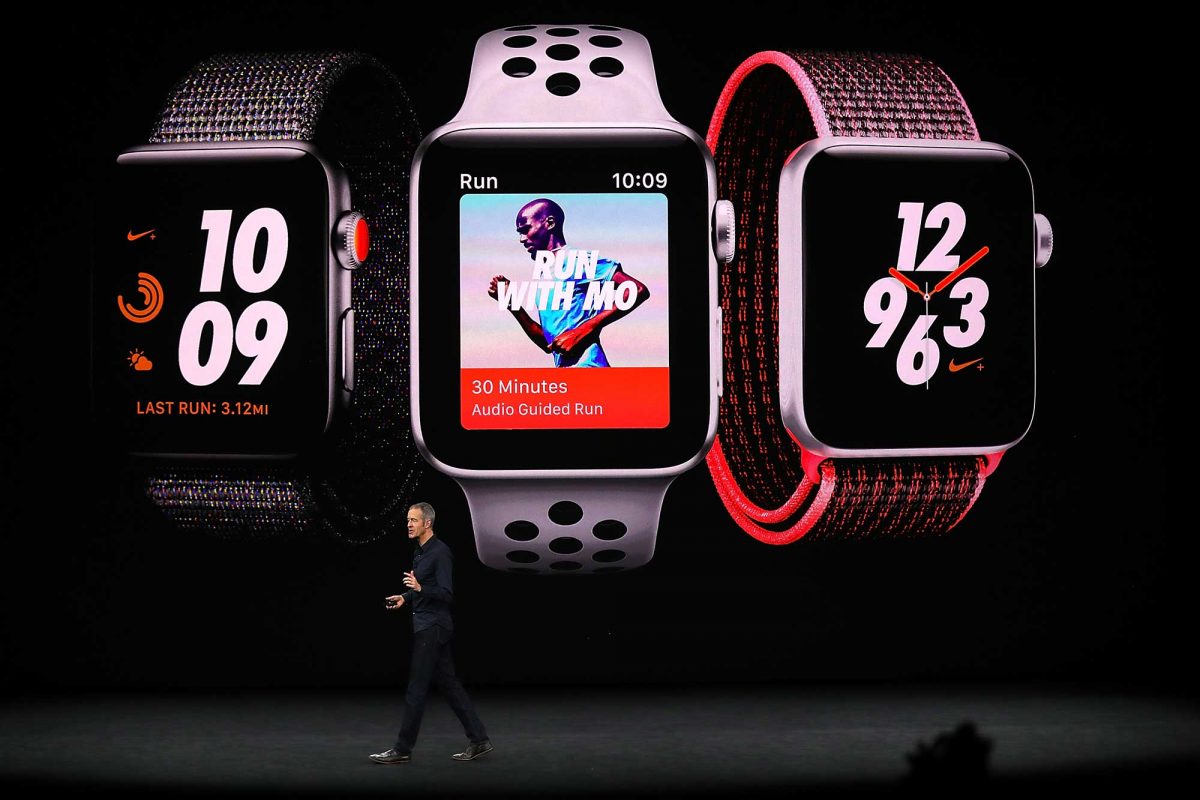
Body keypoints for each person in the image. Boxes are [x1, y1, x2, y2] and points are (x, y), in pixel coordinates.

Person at [369, 503, 492, 764]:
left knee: (416, 689)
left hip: (433, 628)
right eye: (407, 520)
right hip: (428, 625)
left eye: (414, 520)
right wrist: (405, 597)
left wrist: (420, 588)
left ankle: (402, 749)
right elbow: (423, 589)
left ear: (428, 523)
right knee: (450, 685)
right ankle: (479, 739)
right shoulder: (420, 552)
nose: (409, 524)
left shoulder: (440, 552)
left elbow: (446, 594)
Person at [488, 197, 650, 367]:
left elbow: (637, 290)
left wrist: (583, 330)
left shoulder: (575, 259)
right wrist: (512, 304)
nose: (521, 239)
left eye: (526, 229)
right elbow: (549, 344)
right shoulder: (546, 274)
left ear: (550, 223)